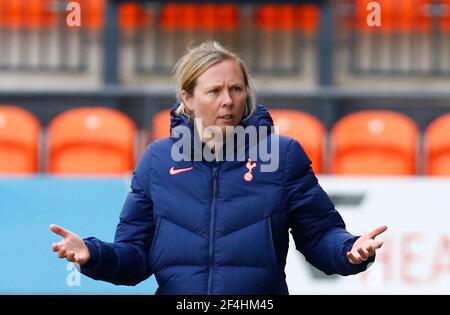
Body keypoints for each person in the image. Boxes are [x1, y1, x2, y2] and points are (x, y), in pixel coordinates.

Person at [50, 41, 387, 295]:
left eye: (236, 89)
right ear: (188, 98)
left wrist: (349, 249)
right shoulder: (157, 161)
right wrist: (93, 254)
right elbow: (134, 259)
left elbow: (319, 237)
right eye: (214, 91)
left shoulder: (283, 156)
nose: (228, 100)